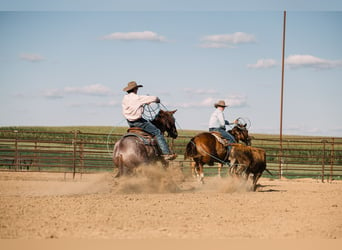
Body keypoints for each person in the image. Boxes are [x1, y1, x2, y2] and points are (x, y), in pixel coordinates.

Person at [121, 81, 177, 161]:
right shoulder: (138, 98)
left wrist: (144, 103)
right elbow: (155, 98)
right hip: (139, 121)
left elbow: (134, 105)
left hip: (130, 123)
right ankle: (166, 153)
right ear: (135, 89)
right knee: (157, 132)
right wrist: (156, 100)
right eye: (137, 88)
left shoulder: (125, 98)